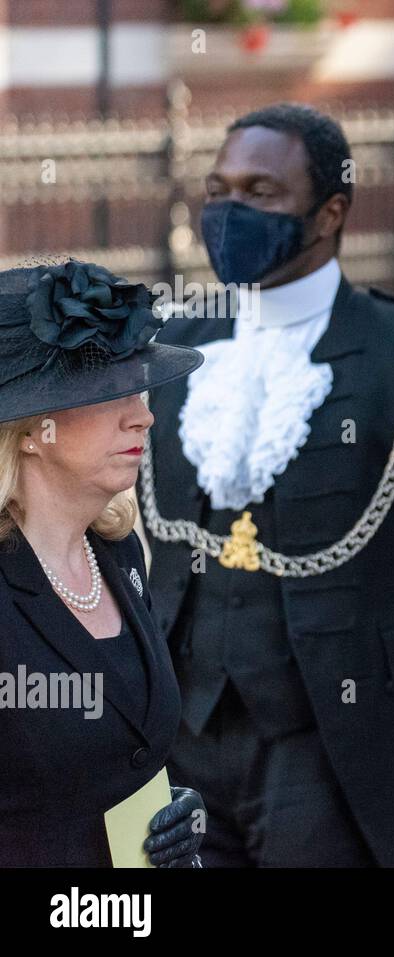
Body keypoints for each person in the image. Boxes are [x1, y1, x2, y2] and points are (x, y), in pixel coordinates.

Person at [138, 103, 394, 867]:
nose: (230, 209)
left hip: (331, 748)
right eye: (218, 188)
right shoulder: (175, 346)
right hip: (181, 742)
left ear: (329, 211)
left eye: (261, 191)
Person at [0, 258, 206, 867]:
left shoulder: (119, 554)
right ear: (32, 429)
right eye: (108, 391)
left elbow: (124, 753)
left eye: (137, 387)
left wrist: (170, 813)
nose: (142, 414)